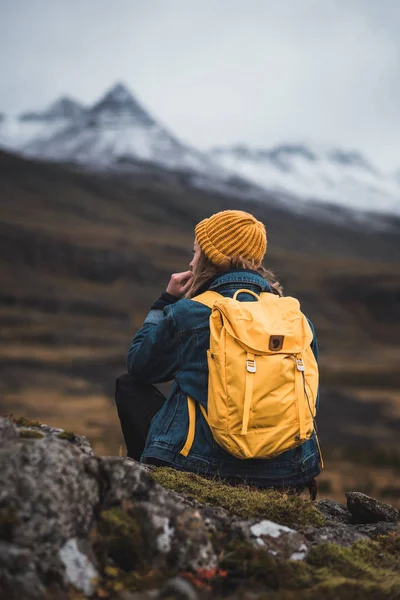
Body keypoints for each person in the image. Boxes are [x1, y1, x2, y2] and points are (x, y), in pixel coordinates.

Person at [115, 210, 322, 494]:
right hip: (287, 472)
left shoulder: (190, 313)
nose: (191, 261)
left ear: (210, 257)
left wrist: (164, 303)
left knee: (128, 385)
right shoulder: (295, 319)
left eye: (195, 252)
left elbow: (139, 365)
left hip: (199, 466)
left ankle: (144, 485)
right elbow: (309, 397)